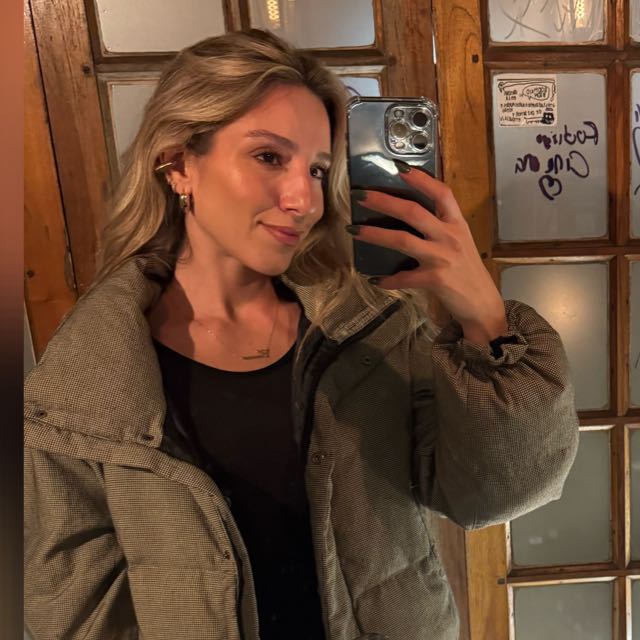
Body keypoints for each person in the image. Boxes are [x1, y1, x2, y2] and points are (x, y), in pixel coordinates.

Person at [24, 29, 579, 640]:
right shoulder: (82, 387)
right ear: (179, 164)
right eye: (268, 157)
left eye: (318, 169)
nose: (304, 199)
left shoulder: (366, 331)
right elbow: (75, 610)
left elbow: (495, 493)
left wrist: (484, 319)